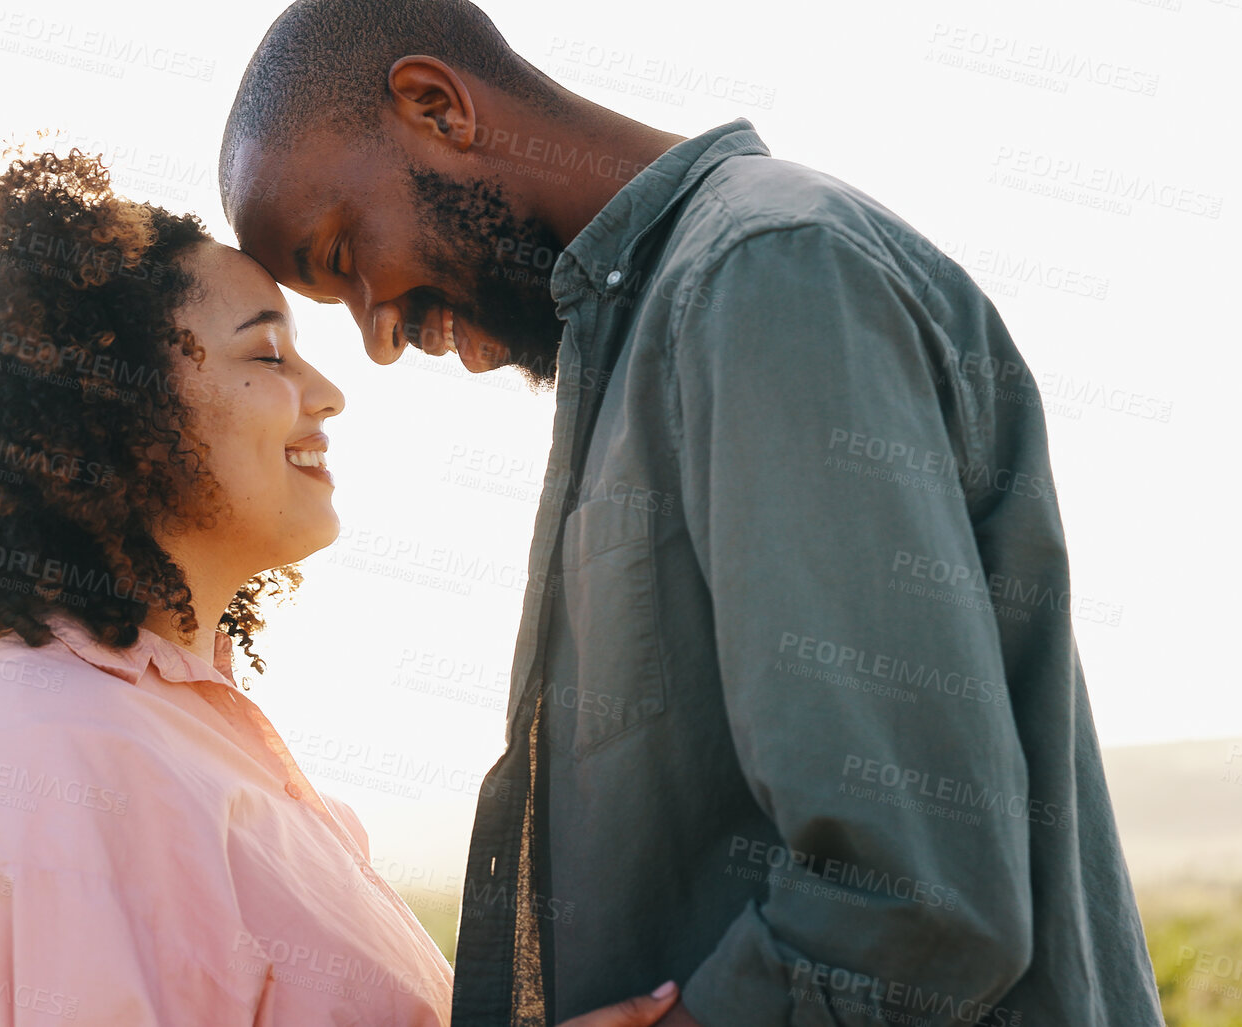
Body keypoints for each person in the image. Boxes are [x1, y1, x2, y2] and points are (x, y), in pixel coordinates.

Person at [217, 2, 1167, 1025]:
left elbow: (913, 895)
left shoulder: (765, 274)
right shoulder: (660, 326)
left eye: (345, 255)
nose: (377, 339)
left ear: (436, 105)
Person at [0, 150, 679, 1026]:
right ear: (115, 409)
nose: (330, 393)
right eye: (267, 353)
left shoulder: (160, 724)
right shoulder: (40, 763)